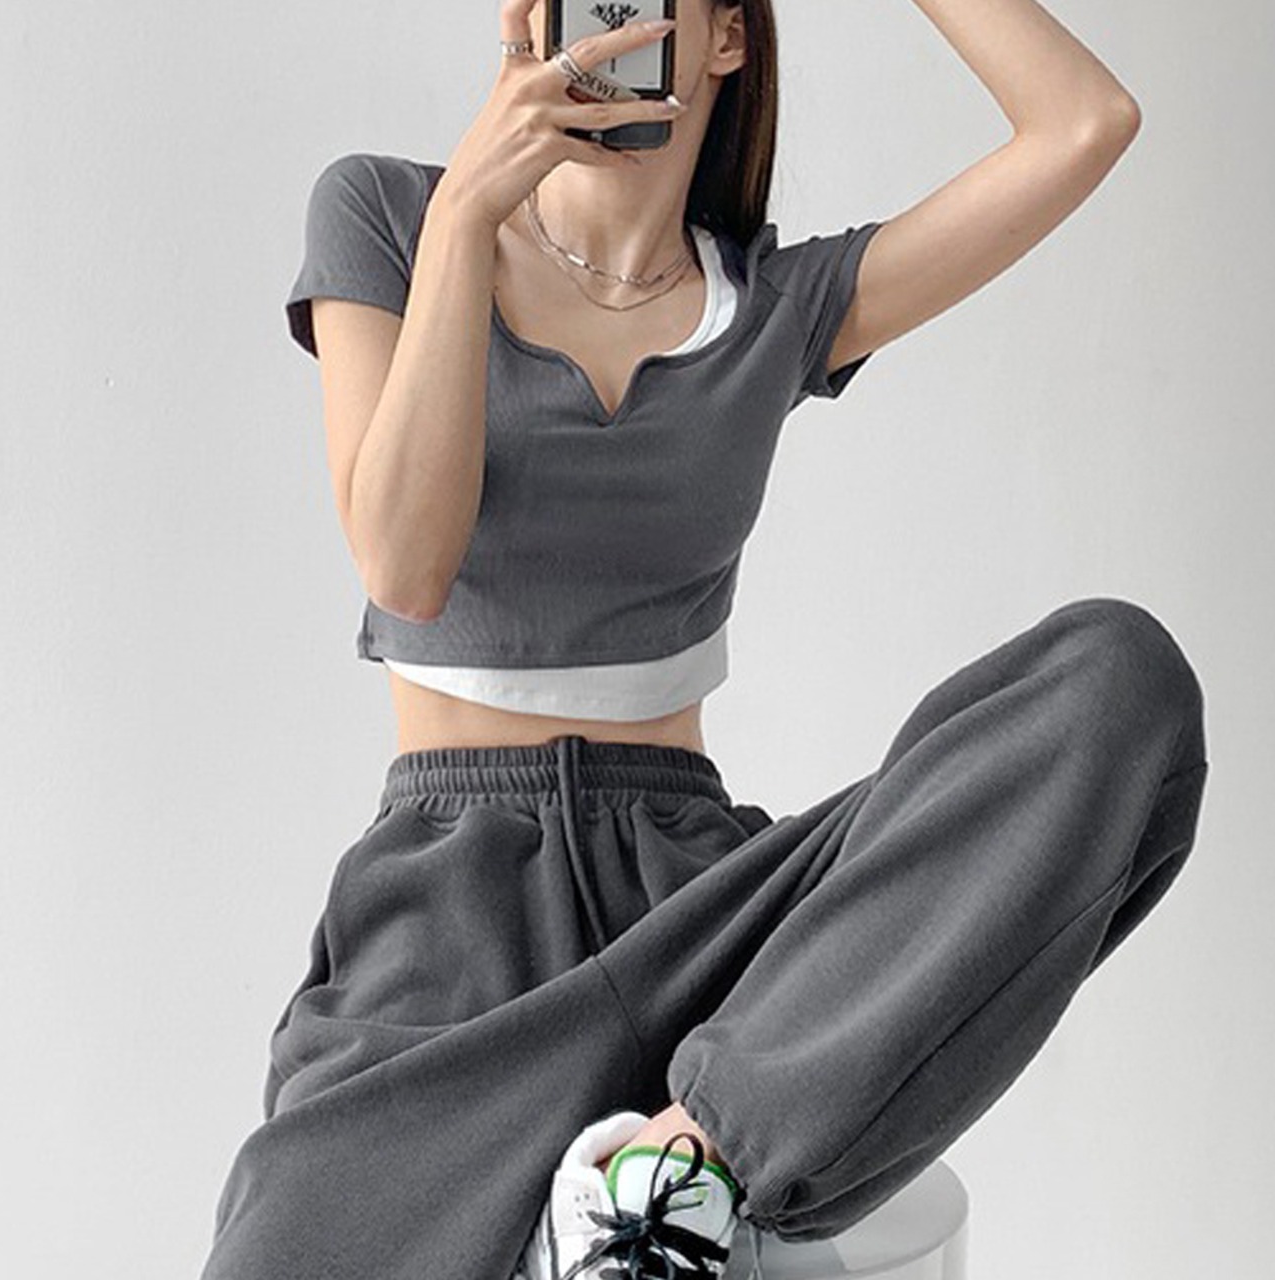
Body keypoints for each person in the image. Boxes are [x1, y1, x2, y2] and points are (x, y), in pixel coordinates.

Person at [198, 2, 1210, 1278]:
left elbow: (1082, 123)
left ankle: (671, 1176)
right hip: (445, 918)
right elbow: (403, 563)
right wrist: (464, 217)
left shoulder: (780, 303)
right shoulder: (389, 216)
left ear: (724, 35)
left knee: (1113, 679)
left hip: (700, 915)